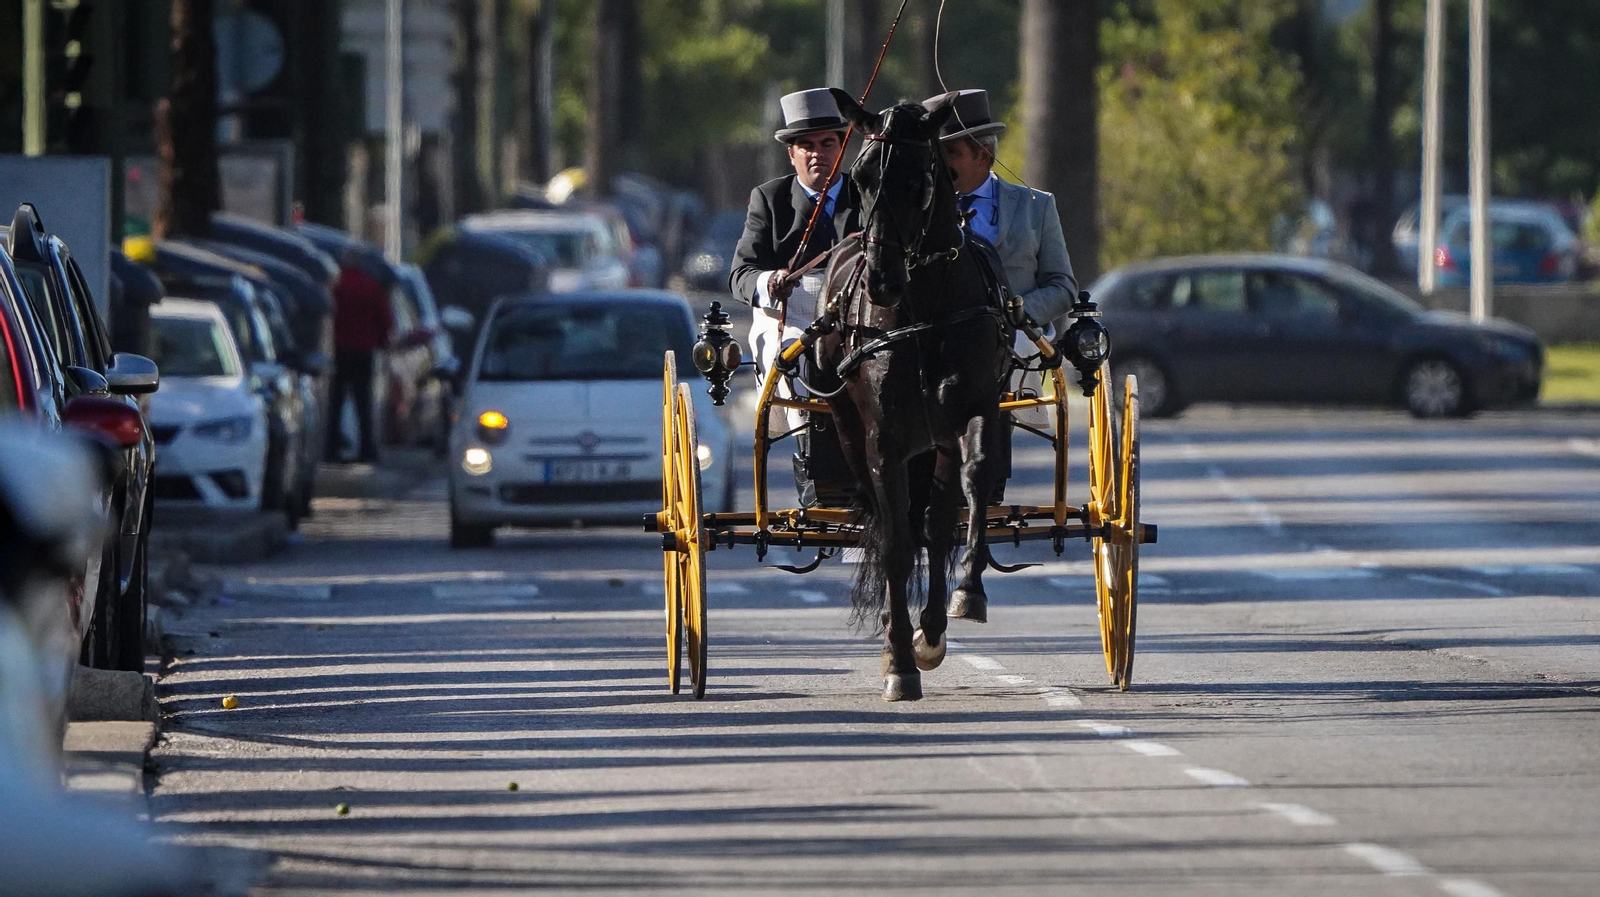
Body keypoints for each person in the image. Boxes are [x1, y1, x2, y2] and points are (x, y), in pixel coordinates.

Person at [729, 88, 863, 504]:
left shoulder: (870, 196)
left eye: (828, 144)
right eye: (806, 146)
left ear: (843, 147)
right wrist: (770, 280)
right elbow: (740, 274)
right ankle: (818, 474)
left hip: (861, 321)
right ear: (792, 154)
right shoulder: (768, 200)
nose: (817, 154)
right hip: (793, 318)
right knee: (799, 363)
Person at [327, 247, 393, 463]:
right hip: (364, 350)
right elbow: (384, 318)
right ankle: (366, 448)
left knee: (335, 401)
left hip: (338, 350)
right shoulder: (370, 287)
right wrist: (382, 341)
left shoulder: (335, 287)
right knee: (363, 402)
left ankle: (332, 447)